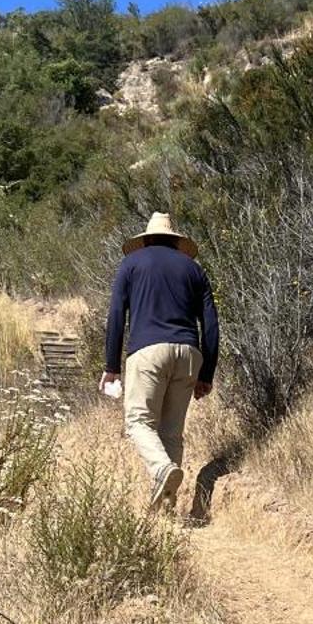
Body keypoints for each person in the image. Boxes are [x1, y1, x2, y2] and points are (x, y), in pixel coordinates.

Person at [100, 211, 219, 510]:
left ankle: (162, 470)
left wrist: (111, 367)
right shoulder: (194, 270)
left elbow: (116, 315)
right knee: (171, 433)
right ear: (176, 241)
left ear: (147, 239)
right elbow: (211, 323)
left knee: (139, 421)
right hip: (189, 353)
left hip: (148, 351)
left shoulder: (131, 264)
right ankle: (165, 508)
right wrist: (207, 372)